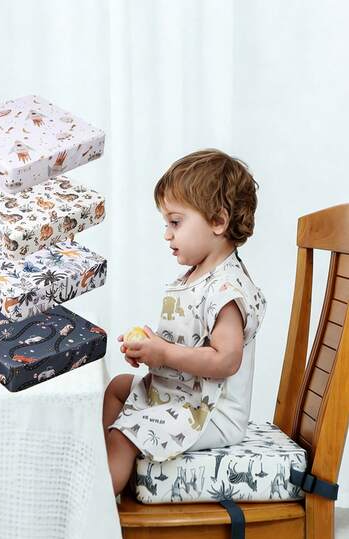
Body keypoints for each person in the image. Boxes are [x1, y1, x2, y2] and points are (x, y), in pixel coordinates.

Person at [103, 149, 267, 497]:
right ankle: (108, 470)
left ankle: (101, 500)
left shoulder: (227, 289)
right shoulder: (197, 277)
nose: (167, 234)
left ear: (217, 222)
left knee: (123, 434)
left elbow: (226, 360)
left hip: (211, 413)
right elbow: (187, 340)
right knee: (118, 387)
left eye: (175, 222)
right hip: (185, 395)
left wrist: (163, 354)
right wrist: (151, 348)